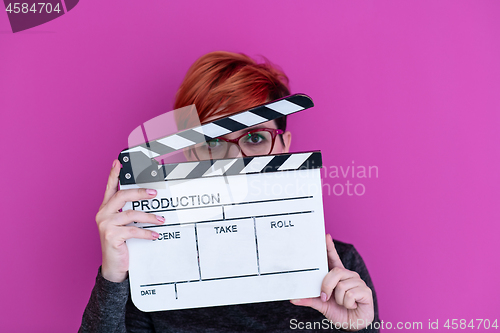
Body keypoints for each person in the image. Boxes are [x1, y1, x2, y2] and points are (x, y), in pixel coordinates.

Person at [80, 51, 380, 332]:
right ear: (190, 154)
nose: (235, 161)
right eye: (213, 142)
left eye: (256, 138)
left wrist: (358, 327)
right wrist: (113, 279)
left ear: (285, 145)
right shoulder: (149, 269)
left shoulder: (339, 270)